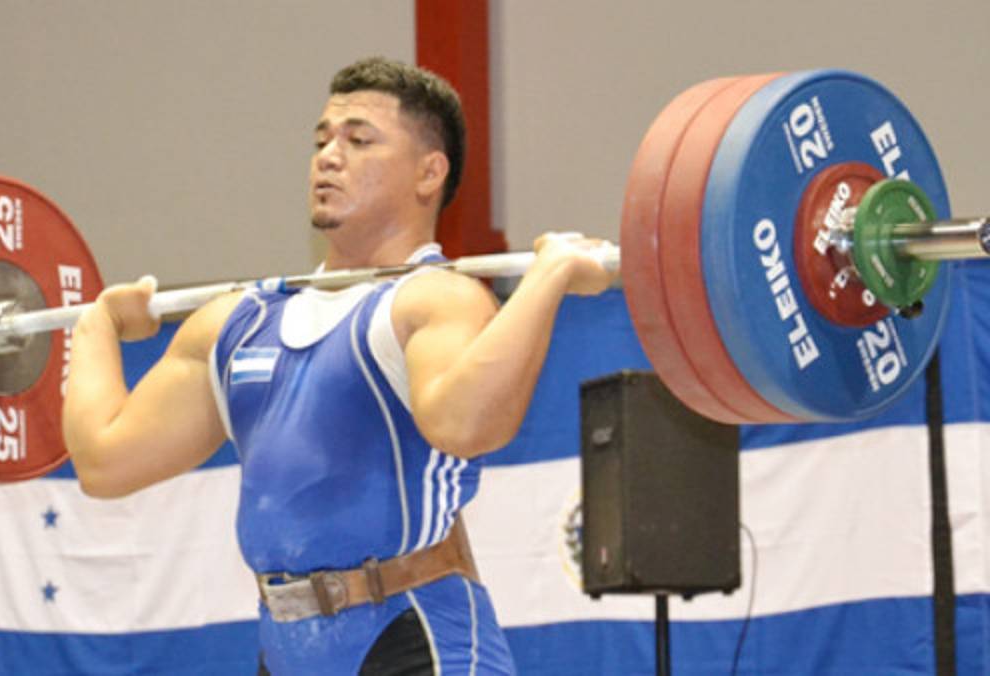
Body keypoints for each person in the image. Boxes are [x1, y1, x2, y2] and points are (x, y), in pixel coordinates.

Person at [63, 56, 614, 674]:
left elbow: (466, 426)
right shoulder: (236, 323)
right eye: (322, 140)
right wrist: (96, 327)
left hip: (414, 640)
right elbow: (104, 463)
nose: (328, 156)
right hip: (285, 648)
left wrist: (548, 278)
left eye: (359, 140)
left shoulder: (433, 301)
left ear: (429, 173)